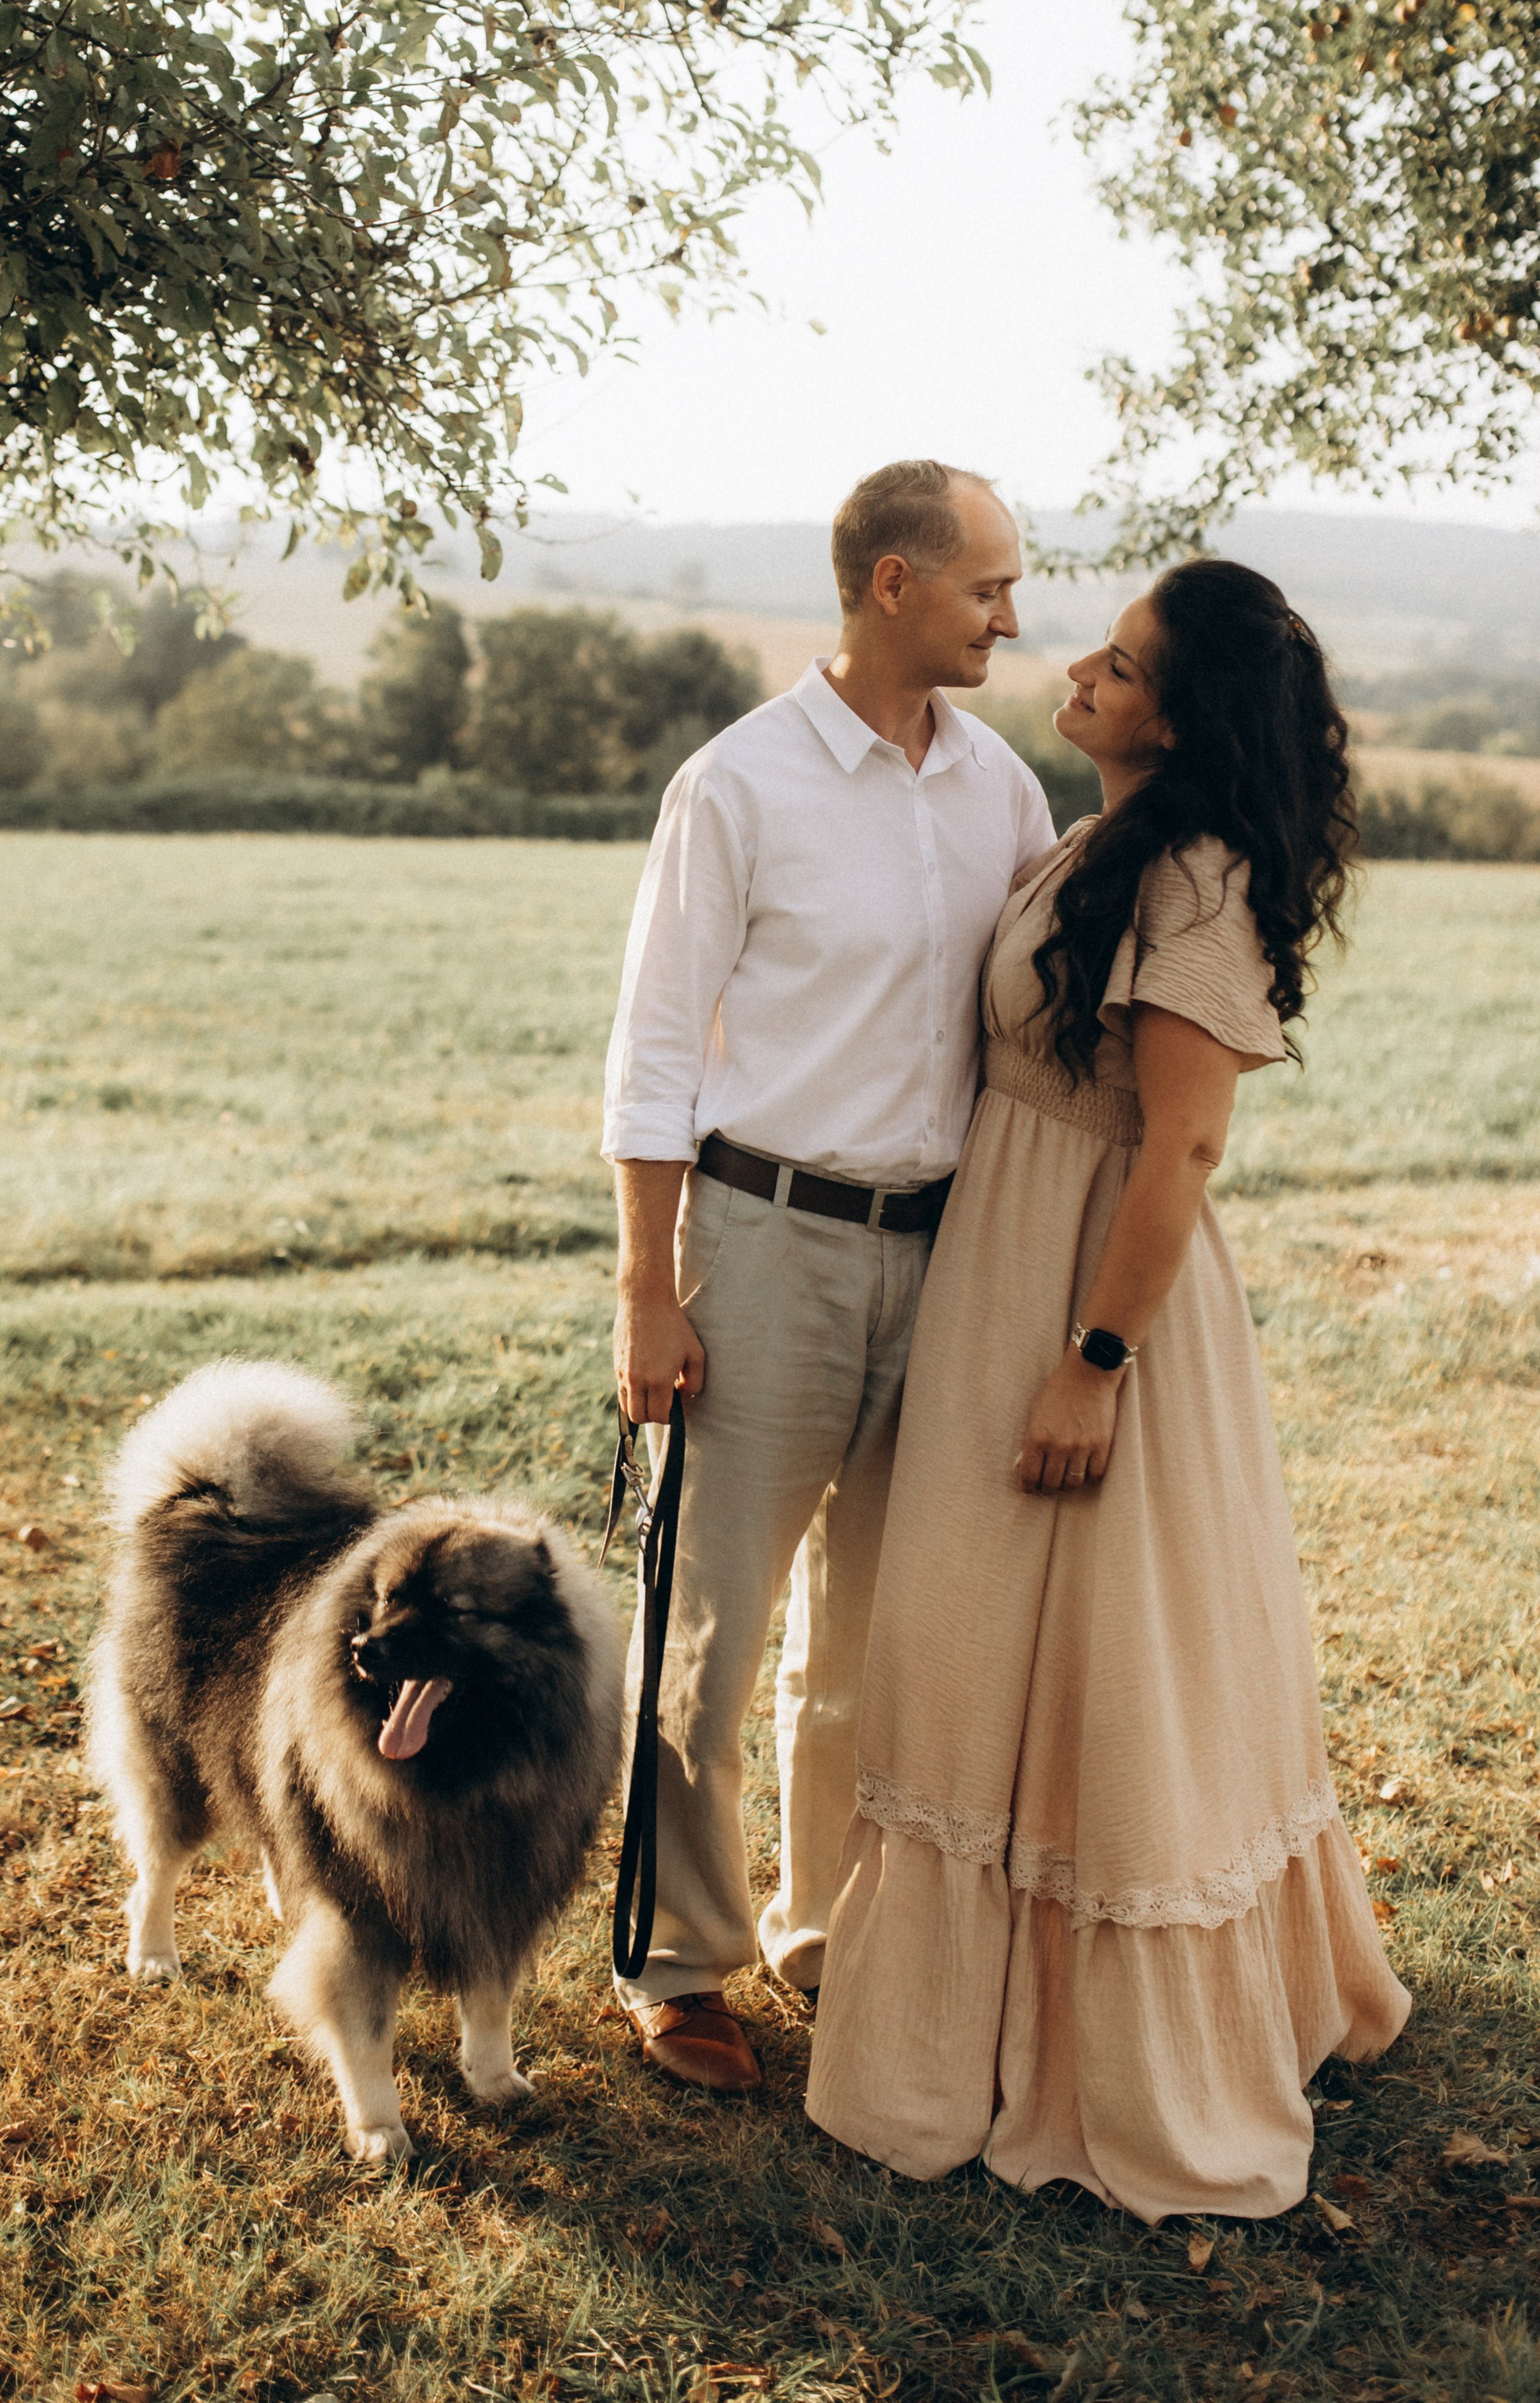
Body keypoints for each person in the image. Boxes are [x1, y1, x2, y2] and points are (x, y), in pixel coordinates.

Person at [805, 558, 1410, 2219]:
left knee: (1103, 1664)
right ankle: (966, 2031)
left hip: (1090, 1307)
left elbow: (1181, 1144)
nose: (1075, 665)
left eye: (1122, 664)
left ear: (1182, 714)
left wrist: (1087, 1366)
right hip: (1006, 1272)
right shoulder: (1098, 848)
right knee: (975, 1646)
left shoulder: (1191, 880)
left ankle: (1118, 2055)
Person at [602, 460, 1056, 2093]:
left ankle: (824, 1931)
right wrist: (646, 1292)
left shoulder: (1001, 787)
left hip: (939, 1255)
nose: (1012, 613)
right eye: (987, 586)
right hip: (761, 1242)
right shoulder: (735, 786)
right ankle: (678, 1962)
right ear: (889, 587)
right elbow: (652, 1057)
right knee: (713, 1624)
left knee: (870, 1633)